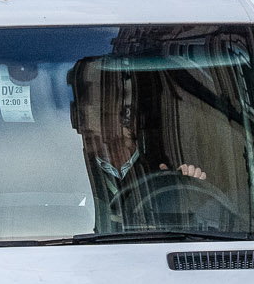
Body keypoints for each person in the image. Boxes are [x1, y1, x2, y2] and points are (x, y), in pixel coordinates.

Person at [69, 65, 208, 230]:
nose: (121, 112)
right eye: (102, 100)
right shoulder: (74, 178)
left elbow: (195, 224)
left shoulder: (166, 171)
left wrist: (194, 190)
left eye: (125, 109)